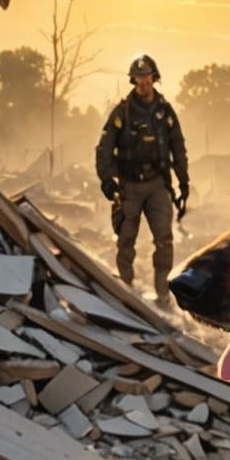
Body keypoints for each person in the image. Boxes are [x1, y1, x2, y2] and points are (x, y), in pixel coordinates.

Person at [96, 54, 189, 304]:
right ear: (133, 81)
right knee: (125, 240)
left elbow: (178, 148)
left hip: (157, 184)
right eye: (138, 80)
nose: (143, 84)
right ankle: (125, 293)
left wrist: (184, 182)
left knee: (164, 239)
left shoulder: (165, 112)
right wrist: (107, 180)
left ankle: (162, 295)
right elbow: (104, 147)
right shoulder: (122, 112)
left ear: (154, 78)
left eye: (147, 78)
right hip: (129, 185)